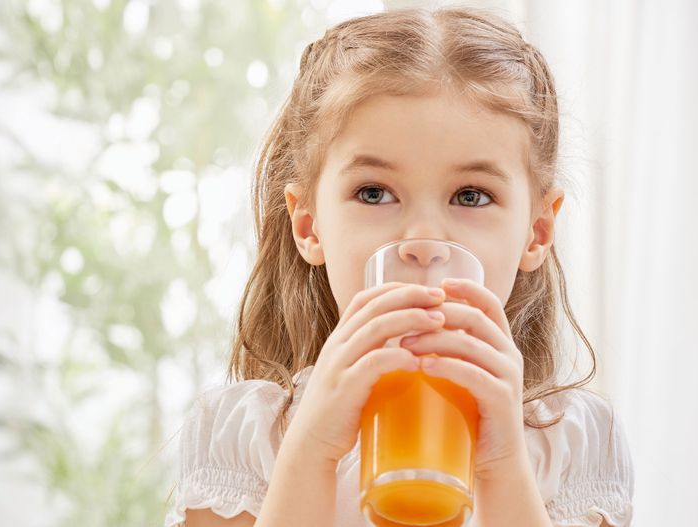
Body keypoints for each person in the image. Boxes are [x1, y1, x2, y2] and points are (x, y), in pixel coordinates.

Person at [165, 6, 634, 527]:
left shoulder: (574, 443)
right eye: (374, 192)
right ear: (309, 225)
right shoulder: (243, 438)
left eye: (471, 196)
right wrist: (311, 451)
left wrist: (505, 468)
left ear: (537, 231)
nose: (423, 243)